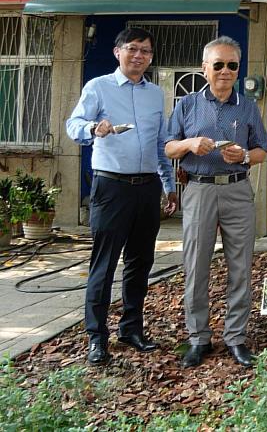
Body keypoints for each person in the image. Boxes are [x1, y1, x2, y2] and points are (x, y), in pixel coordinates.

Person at [66, 27, 178, 366]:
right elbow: (73, 125)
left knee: (140, 262)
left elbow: (161, 144)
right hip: (111, 186)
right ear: (118, 52)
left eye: (145, 50)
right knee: (104, 263)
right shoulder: (97, 87)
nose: (139, 56)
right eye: (132, 49)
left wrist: (169, 184)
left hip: (147, 188)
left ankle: (131, 328)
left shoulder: (156, 94)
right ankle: (97, 337)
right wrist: (92, 128)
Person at [165, 36, 267, 368]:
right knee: (195, 266)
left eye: (232, 65)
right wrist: (190, 143)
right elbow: (168, 147)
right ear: (204, 68)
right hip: (199, 189)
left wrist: (243, 156)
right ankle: (199, 338)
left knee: (241, 266)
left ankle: (236, 338)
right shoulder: (187, 105)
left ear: (238, 70)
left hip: (237, 189)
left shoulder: (247, 106)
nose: (225, 71)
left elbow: (262, 151)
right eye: (219, 64)